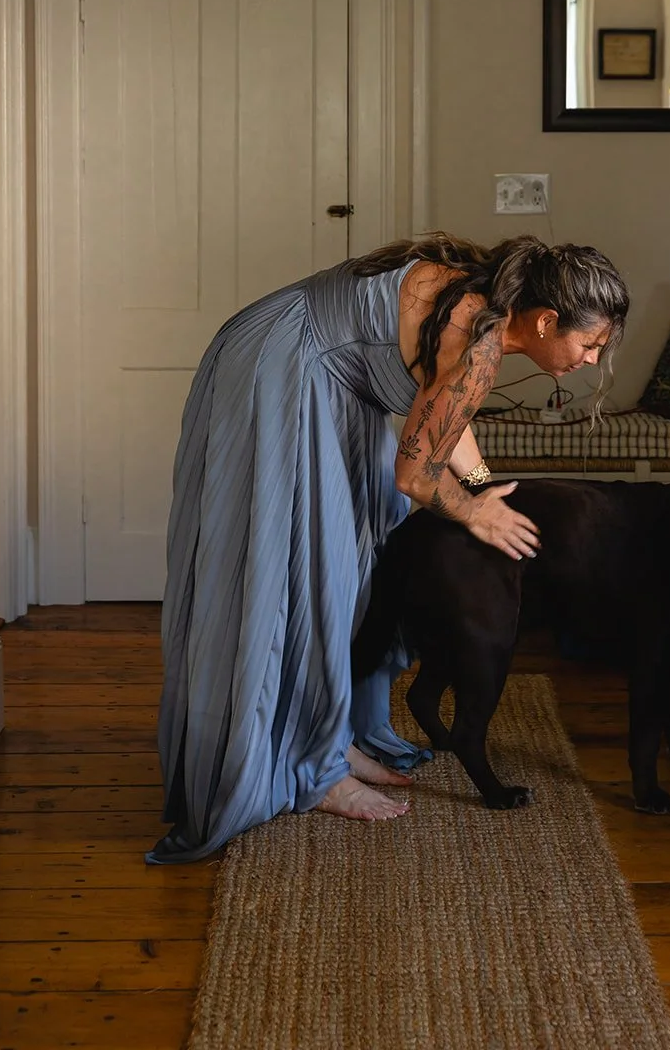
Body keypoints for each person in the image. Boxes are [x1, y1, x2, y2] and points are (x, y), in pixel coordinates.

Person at [147, 232, 630, 863]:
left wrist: (485, 491)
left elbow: (448, 420)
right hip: (275, 370)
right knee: (306, 571)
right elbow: (416, 475)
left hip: (318, 373)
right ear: (545, 321)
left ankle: (328, 733)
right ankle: (311, 768)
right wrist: (476, 516)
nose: (591, 361)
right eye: (590, 344)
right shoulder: (479, 341)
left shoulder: (487, 308)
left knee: (358, 562)